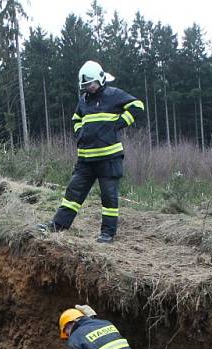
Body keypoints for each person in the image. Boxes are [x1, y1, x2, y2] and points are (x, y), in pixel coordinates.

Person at [39, 60, 145, 243]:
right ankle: (58, 225)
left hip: (110, 159)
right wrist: (79, 133)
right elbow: (76, 118)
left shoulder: (114, 94)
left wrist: (117, 124)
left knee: (109, 199)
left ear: (101, 79)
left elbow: (138, 106)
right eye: (86, 85)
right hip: (86, 159)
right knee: (72, 195)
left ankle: (107, 234)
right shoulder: (83, 100)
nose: (90, 88)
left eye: (92, 84)